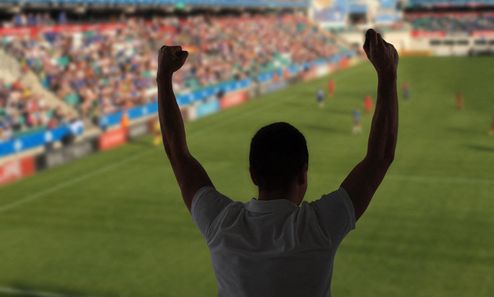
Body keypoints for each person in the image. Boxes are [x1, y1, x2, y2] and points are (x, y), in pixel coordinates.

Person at [156, 29, 398, 297]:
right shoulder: (317, 228)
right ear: (302, 175)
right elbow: (380, 156)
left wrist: (163, 77)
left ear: (253, 174)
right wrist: (387, 74)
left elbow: (177, 152)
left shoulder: (222, 225)